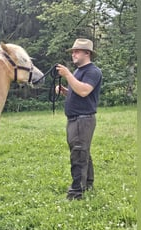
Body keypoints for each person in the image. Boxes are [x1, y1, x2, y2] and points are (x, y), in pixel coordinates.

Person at [55, 38, 103, 200]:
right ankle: (87, 183)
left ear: (87, 53)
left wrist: (67, 74)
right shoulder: (79, 71)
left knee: (79, 154)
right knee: (82, 153)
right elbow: (77, 91)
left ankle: (76, 193)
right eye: (73, 52)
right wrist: (65, 91)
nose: (73, 54)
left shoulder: (93, 71)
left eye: (76, 51)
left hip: (83, 120)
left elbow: (84, 91)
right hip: (75, 119)